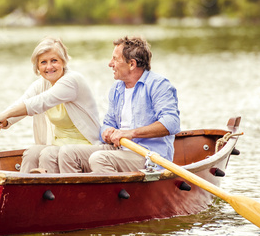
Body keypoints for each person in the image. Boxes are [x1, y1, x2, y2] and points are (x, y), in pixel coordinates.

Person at [58, 36, 180, 174]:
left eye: (115, 59)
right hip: (119, 150)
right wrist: (107, 131)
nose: (110, 64)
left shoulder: (159, 85)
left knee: (99, 159)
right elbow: (108, 123)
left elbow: (172, 123)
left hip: (148, 156)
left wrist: (131, 133)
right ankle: (79, 195)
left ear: (132, 64)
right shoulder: (117, 88)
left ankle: (111, 194)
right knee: (67, 153)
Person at [0, 37, 101, 173]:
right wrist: (0, 121)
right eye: (43, 62)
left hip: (87, 147)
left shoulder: (72, 81)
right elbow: (22, 103)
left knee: (48, 154)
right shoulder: (41, 85)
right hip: (58, 146)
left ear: (63, 62)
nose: (49, 67)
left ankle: (52, 192)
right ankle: (23, 190)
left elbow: (38, 103)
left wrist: (3, 116)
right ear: (37, 66)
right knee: (31, 152)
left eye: (54, 60)